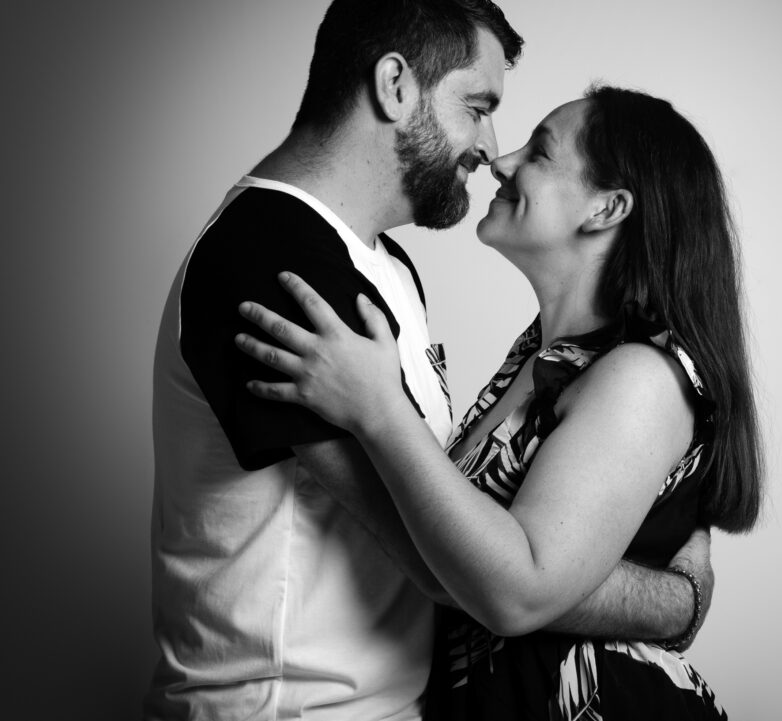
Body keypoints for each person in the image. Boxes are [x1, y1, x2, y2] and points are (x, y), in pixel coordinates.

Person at [148, 2, 710, 719]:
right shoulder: (269, 256)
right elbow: (452, 565)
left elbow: (456, 511)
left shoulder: (390, 270)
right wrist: (669, 599)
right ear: (395, 86)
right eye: (477, 107)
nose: (489, 147)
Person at [234, 85, 763, 719]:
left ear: (607, 208)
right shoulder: (542, 356)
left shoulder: (640, 378)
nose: (501, 160)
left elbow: (516, 590)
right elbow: (459, 550)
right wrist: (677, 600)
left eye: (539, 152)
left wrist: (377, 408)